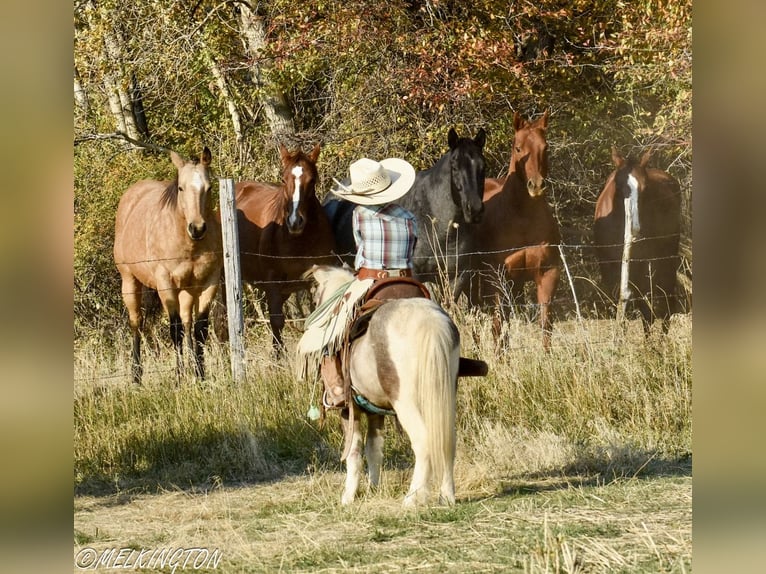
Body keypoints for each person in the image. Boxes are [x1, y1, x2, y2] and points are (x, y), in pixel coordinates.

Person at [296, 156, 419, 408]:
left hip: (370, 281)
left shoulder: (360, 215)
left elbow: (361, 253)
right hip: (408, 281)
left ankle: (336, 388)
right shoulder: (409, 217)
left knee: (329, 324)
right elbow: (412, 249)